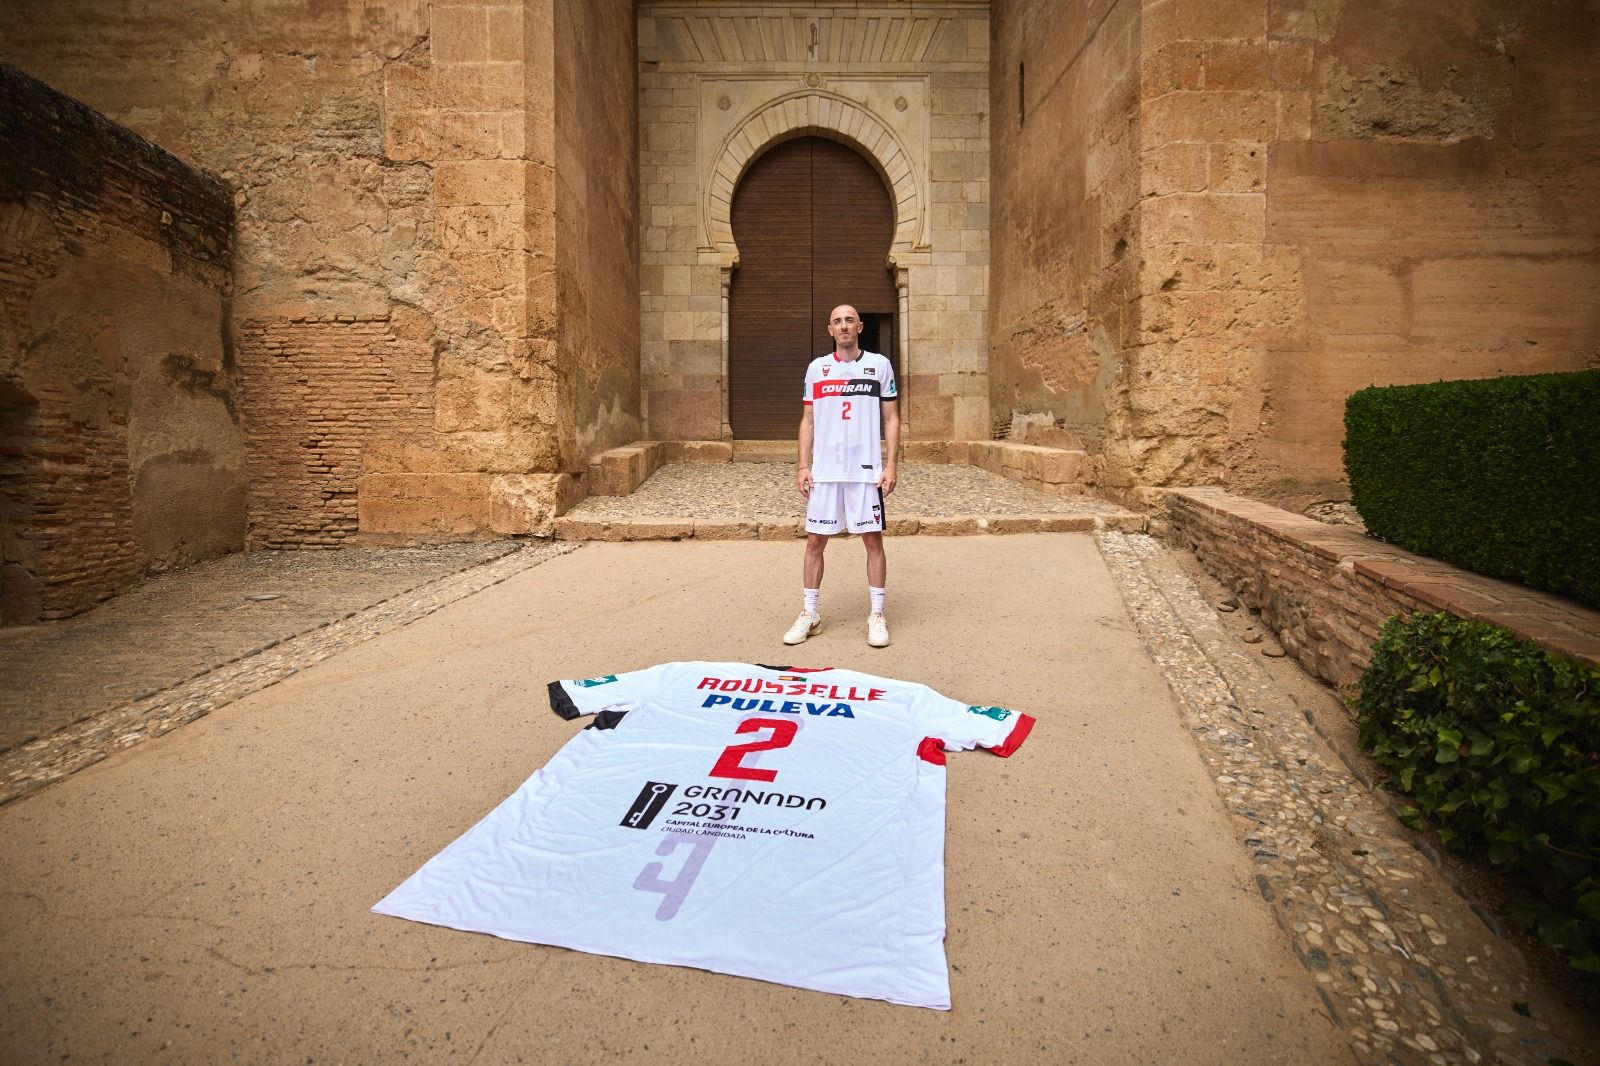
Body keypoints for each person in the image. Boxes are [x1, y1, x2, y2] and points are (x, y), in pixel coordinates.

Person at [784, 304, 900, 648]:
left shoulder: (879, 366)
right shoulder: (816, 369)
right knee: (815, 541)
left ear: (860, 327)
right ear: (830, 330)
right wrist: (803, 465)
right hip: (826, 471)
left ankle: (877, 614)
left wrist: (891, 465)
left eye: (850, 320)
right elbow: (809, 419)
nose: (844, 325)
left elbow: (892, 419)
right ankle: (810, 614)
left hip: (866, 472)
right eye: (838, 321)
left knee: (873, 540)